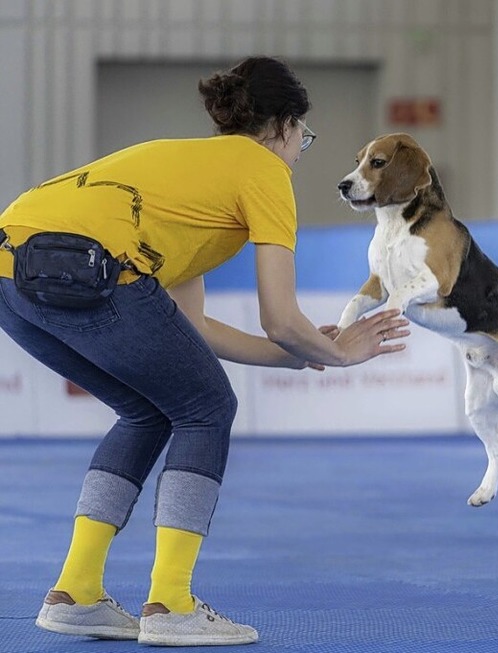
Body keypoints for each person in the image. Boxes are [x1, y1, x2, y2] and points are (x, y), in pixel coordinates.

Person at [0, 56, 408, 646]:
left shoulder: (184, 171)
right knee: (206, 410)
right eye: (305, 139)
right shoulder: (263, 170)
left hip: (13, 274)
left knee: (151, 407)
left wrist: (303, 353)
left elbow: (188, 332)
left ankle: (77, 592)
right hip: (92, 266)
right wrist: (338, 352)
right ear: (285, 125)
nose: (300, 151)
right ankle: (170, 602)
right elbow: (280, 316)